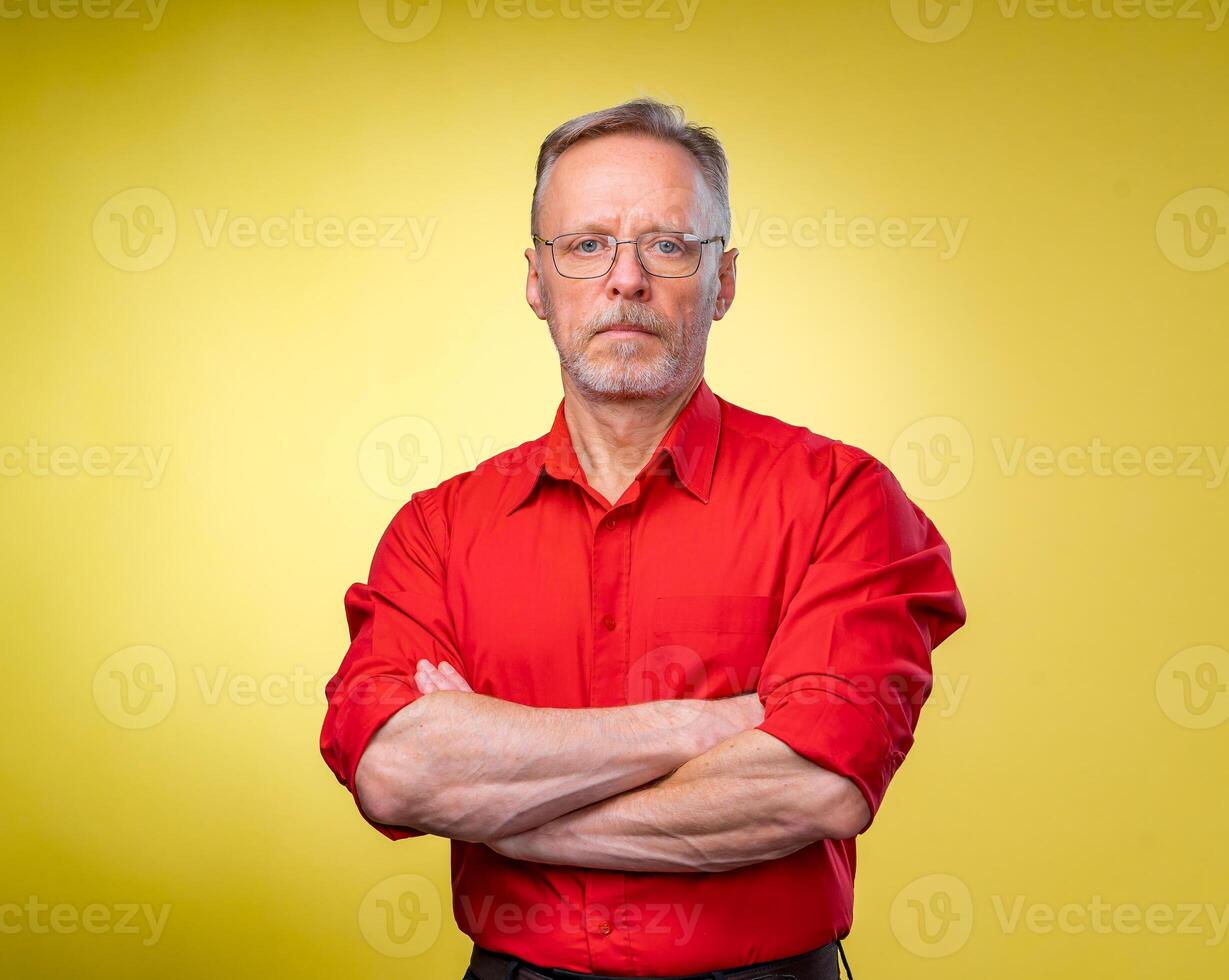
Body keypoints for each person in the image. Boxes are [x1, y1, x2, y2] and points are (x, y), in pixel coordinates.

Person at [320, 97, 967, 980]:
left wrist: (498, 803)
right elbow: (396, 773)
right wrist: (707, 725)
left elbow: (815, 784)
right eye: (585, 246)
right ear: (536, 282)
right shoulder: (438, 530)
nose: (624, 278)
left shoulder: (842, 500)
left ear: (724, 280)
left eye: (667, 245)